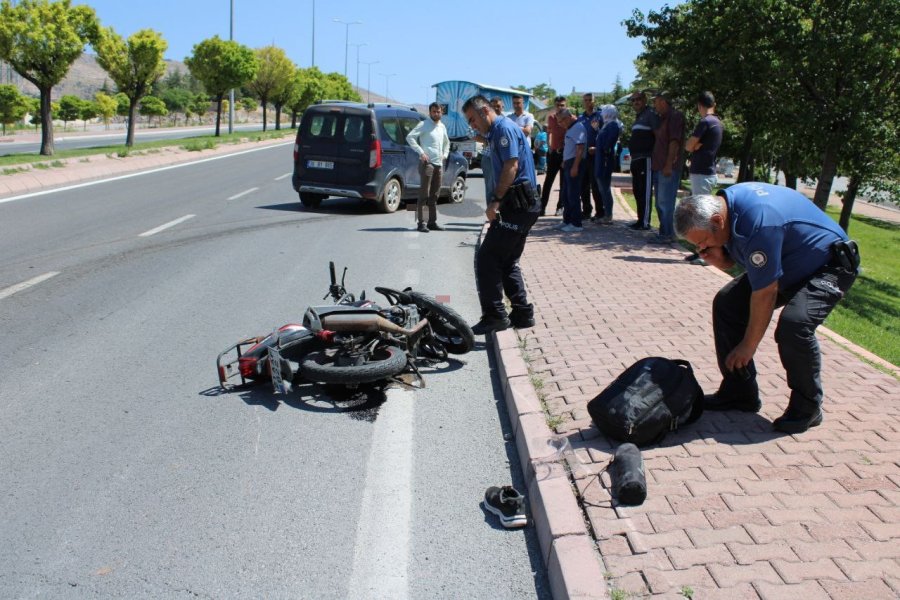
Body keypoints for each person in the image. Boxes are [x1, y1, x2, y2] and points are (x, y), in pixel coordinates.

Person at [674, 183, 860, 434]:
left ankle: (808, 407)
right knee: (728, 304)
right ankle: (739, 393)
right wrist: (720, 259)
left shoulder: (759, 222)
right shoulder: (726, 211)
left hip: (830, 265)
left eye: (704, 242)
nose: (702, 249)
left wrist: (748, 346)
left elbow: (765, 293)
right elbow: (740, 261)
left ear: (717, 220)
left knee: (794, 325)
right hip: (790, 263)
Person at [462, 94, 540, 335]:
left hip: (517, 204)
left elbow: (511, 166)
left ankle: (495, 316)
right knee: (507, 261)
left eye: (473, 119)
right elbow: (489, 141)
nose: (472, 125)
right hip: (523, 204)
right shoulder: (496, 131)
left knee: (487, 258)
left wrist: (495, 201)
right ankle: (522, 314)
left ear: (485, 111)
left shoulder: (504, 129)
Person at [683, 91, 723, 263]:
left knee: (703, 217)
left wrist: (695, 145)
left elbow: (688, 146)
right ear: (714, 104)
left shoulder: (705, 122)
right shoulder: (718, 123)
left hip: (701, 173)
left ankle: (706, 256)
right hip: (707, 172)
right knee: (701, 214)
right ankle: (700, 252)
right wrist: (697, 145)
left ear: (700, 105)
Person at [406, 102, 450, 232]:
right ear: (430, 112)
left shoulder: (442, 126)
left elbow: (447, 143)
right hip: (427, 164)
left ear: (441, 112)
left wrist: (445, 155)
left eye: (438, 111)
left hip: (439, 165)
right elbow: (410, 137)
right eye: (434, 111)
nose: (436, 114)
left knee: (435, 195)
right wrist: (421, 152)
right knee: (424, 194)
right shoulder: (423, 124)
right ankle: (422, 223)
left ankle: (432, 222)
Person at [648, 91, 685, 244]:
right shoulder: (662, 119)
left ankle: (669, 234)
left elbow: (674, 142)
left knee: (666, 202)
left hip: (667, 168)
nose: (654, 105)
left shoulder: (675, 116)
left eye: (655, 101)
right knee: (659, 203)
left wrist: (669, 164)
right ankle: (664, 233)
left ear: (662, 101)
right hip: (658, 167)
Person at [627, 91, 658, 231]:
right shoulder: (638, 117)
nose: (635, 102)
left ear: (645, 100)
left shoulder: (650, 114)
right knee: (637, 190)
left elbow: (658, 135)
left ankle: (645, 222)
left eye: (638, 99)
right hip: (636, 159)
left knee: (645, 191)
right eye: (633, 100)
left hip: (646, 158)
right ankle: (639, 220)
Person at [556, 108, 587, 232]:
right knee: (565, 194)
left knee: (573, 194)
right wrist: (565, 160)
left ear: (569, 117)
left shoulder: (578, 127)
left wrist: (575, 166)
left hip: (575, 162)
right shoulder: (571, 128)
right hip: (569, 162)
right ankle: (567, 220)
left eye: (562, 121)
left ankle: (576, 223)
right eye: (559, 122)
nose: (561, 124)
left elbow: (580, 148)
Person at [593, 104, 623, 224]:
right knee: (602, 188)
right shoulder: (607, 125)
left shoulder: (613, 125)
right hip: (601, 159)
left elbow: (608, 143)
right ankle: (606, 213)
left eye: (604, 111)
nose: (602, 114)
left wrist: (603, 148)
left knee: (605, 188)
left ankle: (608, 215)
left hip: (605, 161)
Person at [540, 96, 568, 216]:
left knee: (563, 182)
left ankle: (560, 207)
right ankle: (542, 207)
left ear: (566, 106)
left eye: (562, 105)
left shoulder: (570, 118)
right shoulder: (551, 118)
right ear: (554, 106)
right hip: (554, 153)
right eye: (558, 105)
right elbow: (549, 132)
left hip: (566, 154)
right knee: (548, 182)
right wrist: (549, 147)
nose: (560, 107)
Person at [577, 93, 603, 221]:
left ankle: (600, 212)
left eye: (590, 100)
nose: (588, 102)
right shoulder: (580, 118)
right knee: (583, 185)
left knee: (595, 185)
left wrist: (597, 148)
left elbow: (604, 134)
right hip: (583, 156)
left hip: (596, 156)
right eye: (585, 100)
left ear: (594, 101)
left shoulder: (600, 116)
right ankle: (586, 211)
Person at [477, 97, 506, 206]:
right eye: (493, 106)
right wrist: (485, 140)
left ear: (502, 107)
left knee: (503, 185)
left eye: (498, 106)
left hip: (503, 159)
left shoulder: (505, 121)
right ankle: (491, 211)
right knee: (490, 186)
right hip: (488, 158)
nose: (496, 108)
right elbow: (470, 132)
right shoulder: (484, 120)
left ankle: (501, 210)